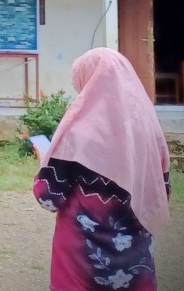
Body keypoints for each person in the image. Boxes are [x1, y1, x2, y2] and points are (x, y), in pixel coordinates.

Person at [33, 48, 171, 291]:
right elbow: (162, 193)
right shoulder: (149, 133)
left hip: (81, 262)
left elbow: (48, 198)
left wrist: (44, 161)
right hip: (135, 262)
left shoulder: (78, 133)